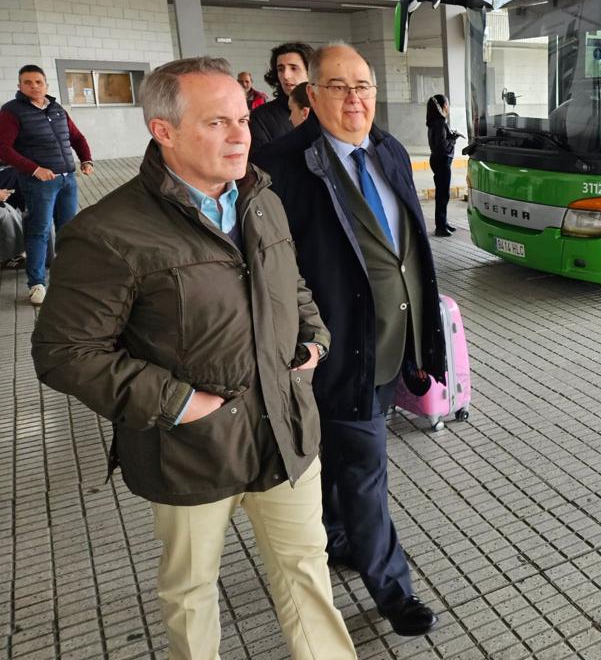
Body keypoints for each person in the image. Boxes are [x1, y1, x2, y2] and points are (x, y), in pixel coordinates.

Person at [30, 56, 356, 659]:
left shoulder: (261, 198)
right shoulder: (110, 232)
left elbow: (293, 283)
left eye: (242, 119)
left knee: (308, 574)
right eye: (217, 123)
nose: (241, 136)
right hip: (189, 448)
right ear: (164, 130)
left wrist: (313, 341)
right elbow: (63, 352)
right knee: (190, 591)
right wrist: (179, 403)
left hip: (285, 431)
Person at [255, 43, 445, 638]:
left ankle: (338, 537)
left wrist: (424, 343)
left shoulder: (387, 149)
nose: (355, 98)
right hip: (334, 354)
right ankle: (393, 592)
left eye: (363, 85)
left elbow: (411, 248)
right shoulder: (281, 165)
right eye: (338, 86)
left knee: (344, 460)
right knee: (366, 469)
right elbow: (269, 269)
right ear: (310, 95)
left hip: (393, 344)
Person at [0, 64, 94, 305]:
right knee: (38, 231)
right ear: (20, 86)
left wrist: (86, 159)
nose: (34, 86)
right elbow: (3, 149)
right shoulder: (12, 112)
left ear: (46, 85)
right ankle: (37, 284)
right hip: (37, 183)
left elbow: (76, 137)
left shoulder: (57, 109)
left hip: (67, 180)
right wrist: (34, 169)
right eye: (28, 82)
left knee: (68, 230)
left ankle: (68, 278)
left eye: (38, 82)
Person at [250, 42, 313, 156]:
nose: (285, 76)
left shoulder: (328, 112)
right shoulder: (259, 118)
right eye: (280, 69)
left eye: (294, 68)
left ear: (310, 72)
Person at [425, 94, 461, 237]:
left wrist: (450, 137)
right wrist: (452, 139)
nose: (449, 106)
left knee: (442, 194)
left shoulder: (434, 122)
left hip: (437, 159)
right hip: (442, 160)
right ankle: (440, 227)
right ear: (443, 106)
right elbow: (442, 146)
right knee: (442, 195)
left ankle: (443, 223)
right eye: (447, 103)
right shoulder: (440, 123)